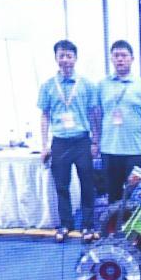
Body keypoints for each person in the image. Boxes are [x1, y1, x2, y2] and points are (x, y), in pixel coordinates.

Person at [37, 39, 98, 242]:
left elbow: (94, 114)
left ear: (75, 58)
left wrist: (95, 141)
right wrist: (44, 145)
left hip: (82, 141)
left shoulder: (87, 85)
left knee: (87, 184)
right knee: (61, 186)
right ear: (56, 58)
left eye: (69, 56)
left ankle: (88, 225)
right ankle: (65, 224)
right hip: (60, 143)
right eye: (61, 56)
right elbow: (45, 115)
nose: (65, 60)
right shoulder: (48, 86)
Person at [96, 39, 141, 208]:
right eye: (116, 56)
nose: (120, 59)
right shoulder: (102, 85)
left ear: (132, 58)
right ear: (111, 59)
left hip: (134, 150)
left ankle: (132, 225)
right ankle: (113, 225)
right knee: (112, 194)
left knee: (134, 195)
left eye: (124, 55)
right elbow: (97, 114)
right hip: (109, 149)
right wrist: (97, 140)